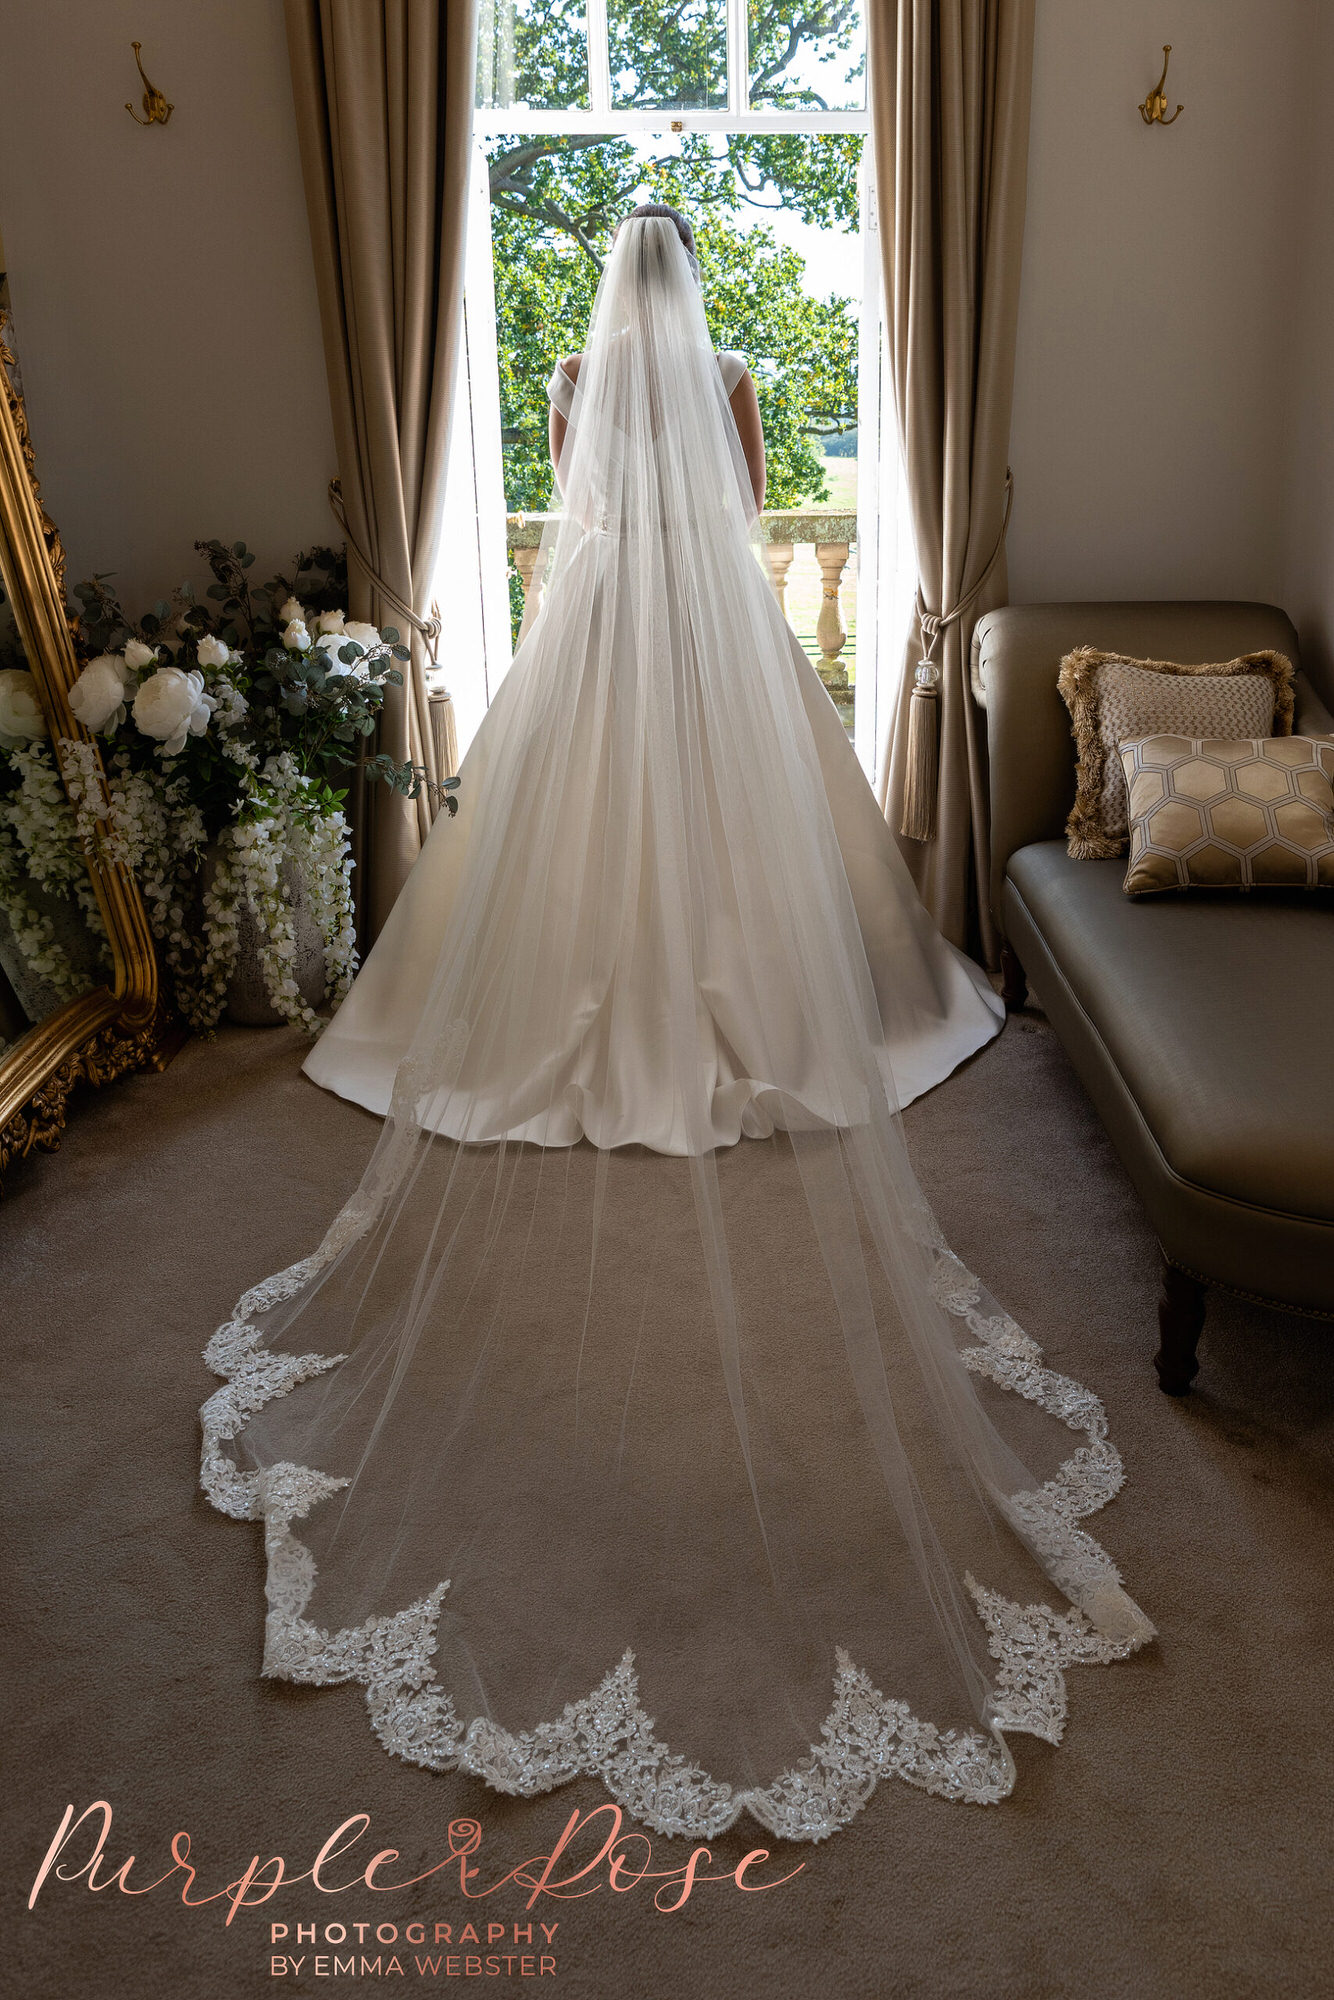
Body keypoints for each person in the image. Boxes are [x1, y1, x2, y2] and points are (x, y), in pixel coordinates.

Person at [201, 206, 1151, 1842]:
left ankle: (530, 1020)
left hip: (606, 621)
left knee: (562, 835)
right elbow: (751, 489)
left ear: (602, 284)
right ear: (692, 277)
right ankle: (771, 1009)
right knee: (748, 839)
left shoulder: (571, 367)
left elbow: (577, 509)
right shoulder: (727, 364)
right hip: (709, 615)